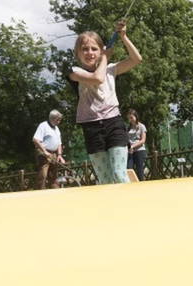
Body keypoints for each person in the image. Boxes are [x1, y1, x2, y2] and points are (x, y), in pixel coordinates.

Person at [68, 20, 142, 184]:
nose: (89, 52)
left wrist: (123, 36)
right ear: (77, 54)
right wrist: (104, 58)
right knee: (105, 180)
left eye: (94, 48)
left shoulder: (110, 69)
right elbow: (97, 78)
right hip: (92, 128)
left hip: (114, 124)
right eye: (84, 49)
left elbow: (136, 59)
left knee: (119, 174)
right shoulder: (74, 72)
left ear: (101, 51)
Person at [32, 109, 65, 189]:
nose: (59, 121)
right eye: (58, 120)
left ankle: (55, 194)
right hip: (44, 154)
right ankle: (40, 194)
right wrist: (45, 152)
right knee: (43, 175)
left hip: (54, 154)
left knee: (54, 176)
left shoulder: (56, 128)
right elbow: (35, 139)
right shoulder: (43, 126)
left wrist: (60, 155)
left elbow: (59, 143)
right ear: (53, 119)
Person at [126, 109, 148, 180]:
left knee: (139, 171)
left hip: (139, 151)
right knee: (129, 169)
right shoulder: (128, 128)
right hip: (130, 152)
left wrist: (132, 146)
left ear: (136, 117)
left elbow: (143, 140)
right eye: (129, 118)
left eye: (131, 117)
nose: (130, 120)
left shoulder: (142, 126)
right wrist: (128, 147)